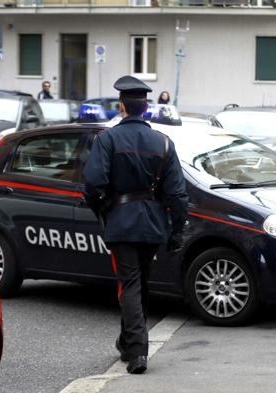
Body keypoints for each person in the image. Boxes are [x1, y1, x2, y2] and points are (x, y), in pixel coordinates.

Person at [83, 75, 188, 375]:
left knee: (129, 284)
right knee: (139, 284)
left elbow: (93, 184)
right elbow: (178, 195)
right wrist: (176, 230)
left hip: (121, 221)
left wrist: (102, 209)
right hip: (152, 224)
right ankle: (128, 342)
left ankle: (138, 350)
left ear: (122, 107)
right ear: (146, 108)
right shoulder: (164, 143)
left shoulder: (107, 139)